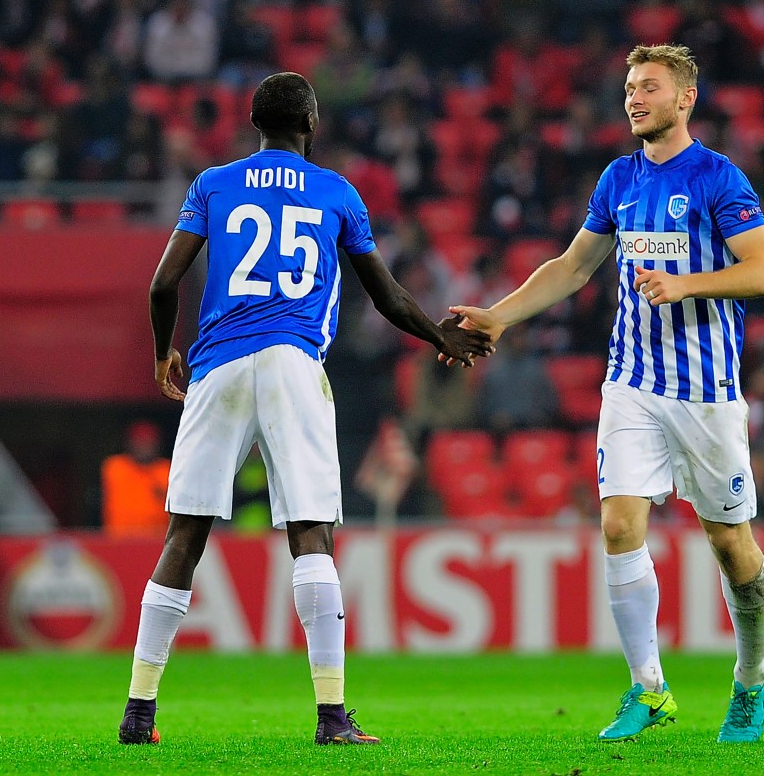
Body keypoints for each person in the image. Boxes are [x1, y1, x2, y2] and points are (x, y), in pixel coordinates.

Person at [117, 72, 491, 747]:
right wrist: (442, 336)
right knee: (311, 534)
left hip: (217, 363)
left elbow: (163, 282)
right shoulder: (338, 193)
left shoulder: (213, 184)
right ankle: (332, 716)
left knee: (184, 536)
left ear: (255, 124)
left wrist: (160, 355)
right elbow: (384, 296)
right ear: (312, 124)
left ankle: (139, 711)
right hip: (292, 362)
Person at [446, 45, 764, 743]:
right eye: (629, 88)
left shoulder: (719, 178)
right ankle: (649, 688)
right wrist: (499, 315)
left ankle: (749, 679)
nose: (634, 98)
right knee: (620, 523)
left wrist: (686, 283)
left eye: (649, 88)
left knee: (732, 547)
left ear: (684, 98)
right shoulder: (618, 179)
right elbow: (573, 265)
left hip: (706, 391)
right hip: (631, 383)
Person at [101, 420, 171, 537]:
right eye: (139, 442)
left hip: (157, 541)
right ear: (130, 443)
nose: (143, 447)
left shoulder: (167, 470)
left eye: (148, 443)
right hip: (117, 541)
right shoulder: (115, 466)